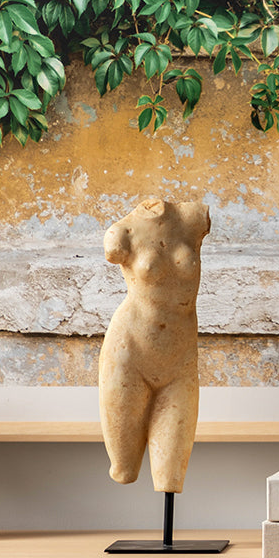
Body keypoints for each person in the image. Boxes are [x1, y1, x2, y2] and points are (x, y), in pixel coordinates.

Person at [99, 197, 210, 493]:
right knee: (123, 469)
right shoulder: (120, 234)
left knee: (171, 479)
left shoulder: (193, 218)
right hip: (130, 352)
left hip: (180, 360)